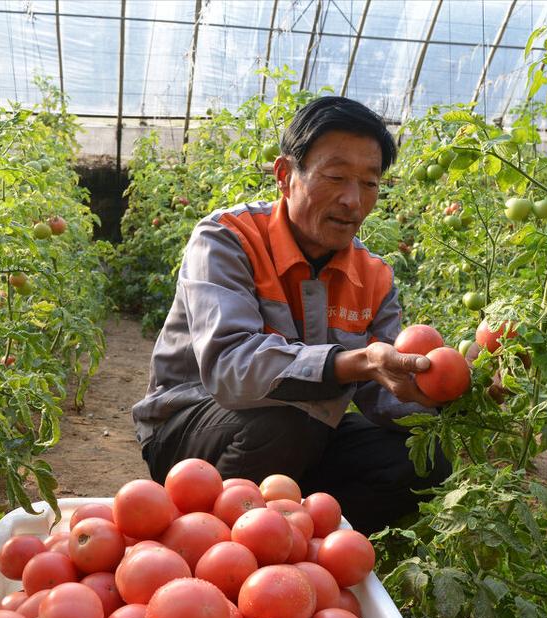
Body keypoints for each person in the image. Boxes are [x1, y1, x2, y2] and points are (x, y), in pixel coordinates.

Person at [131, 95, 451, 533]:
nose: (352, 201)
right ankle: (206, 548)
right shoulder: (228, 238)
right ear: (285, 175)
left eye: (370, 183)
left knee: (422, 458)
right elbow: (229, 368)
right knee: (291, 417)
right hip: (194, 428)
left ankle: (302, 548)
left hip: (303, 435)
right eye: (336, 176)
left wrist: (447, 391)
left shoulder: (374, 275)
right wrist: (355, 362)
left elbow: (383, 396)